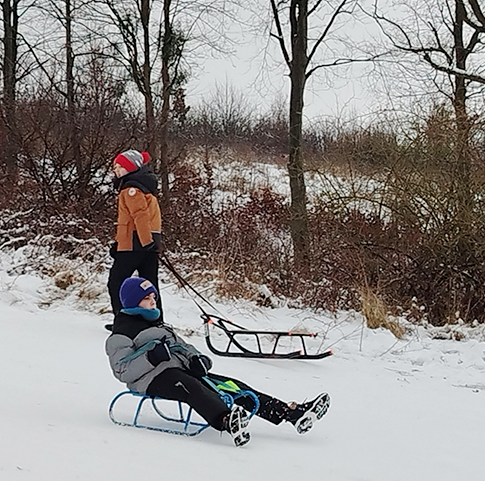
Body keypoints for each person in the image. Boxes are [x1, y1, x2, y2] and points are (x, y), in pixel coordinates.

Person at [105, 276, 330, 446]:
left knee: (232, 386)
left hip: (180, 371)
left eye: (154, 297)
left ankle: (289, 413)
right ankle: (225, 419)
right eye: (146, 299)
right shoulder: (122, 332)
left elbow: (183, 346)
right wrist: (151, 358)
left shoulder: (158, 325)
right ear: (133, 303)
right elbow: (122, 370)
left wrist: (197, 359)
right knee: (190, 387)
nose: (153, 302)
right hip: (152, 379)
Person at [107, 150, 163, 319]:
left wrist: (145, 241)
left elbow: (139, 216)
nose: (117, 170)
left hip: (134, 244)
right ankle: (155, 320)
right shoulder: (145, 187)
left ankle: (122, 321)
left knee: (116, 282)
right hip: (147, 243)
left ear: (131, 168)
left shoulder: (131, 189)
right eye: (115, 167)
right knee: (150, 285)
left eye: (121, 167)